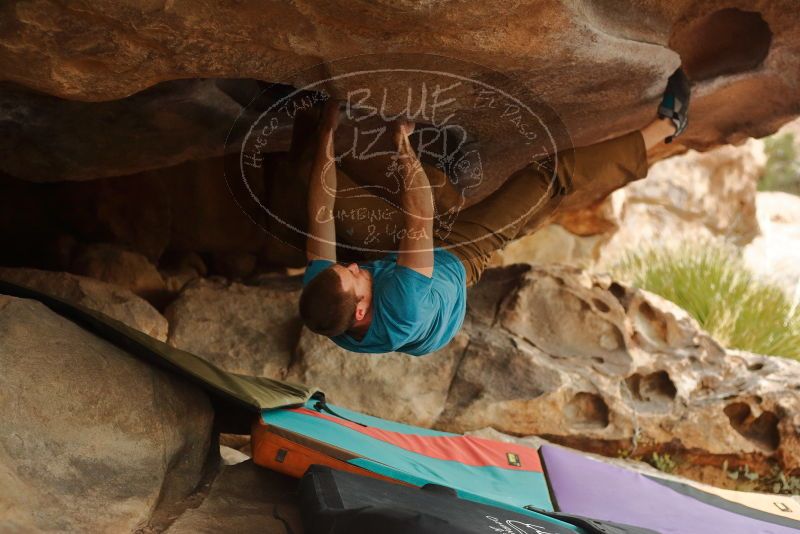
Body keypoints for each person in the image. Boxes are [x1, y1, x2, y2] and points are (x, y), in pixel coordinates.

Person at [299, 69, 691, 356]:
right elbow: (418, 216)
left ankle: (310, 120)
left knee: (312, 174)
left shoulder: (325, 300)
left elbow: (321, 210)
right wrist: (403, 145)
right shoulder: (404, 307)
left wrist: (327, 131)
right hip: (455, 255)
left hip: (405, 261)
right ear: (363, 308)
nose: (349, 265)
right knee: (548, 177)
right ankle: (667, 125)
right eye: (351, 275)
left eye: (340, 267)